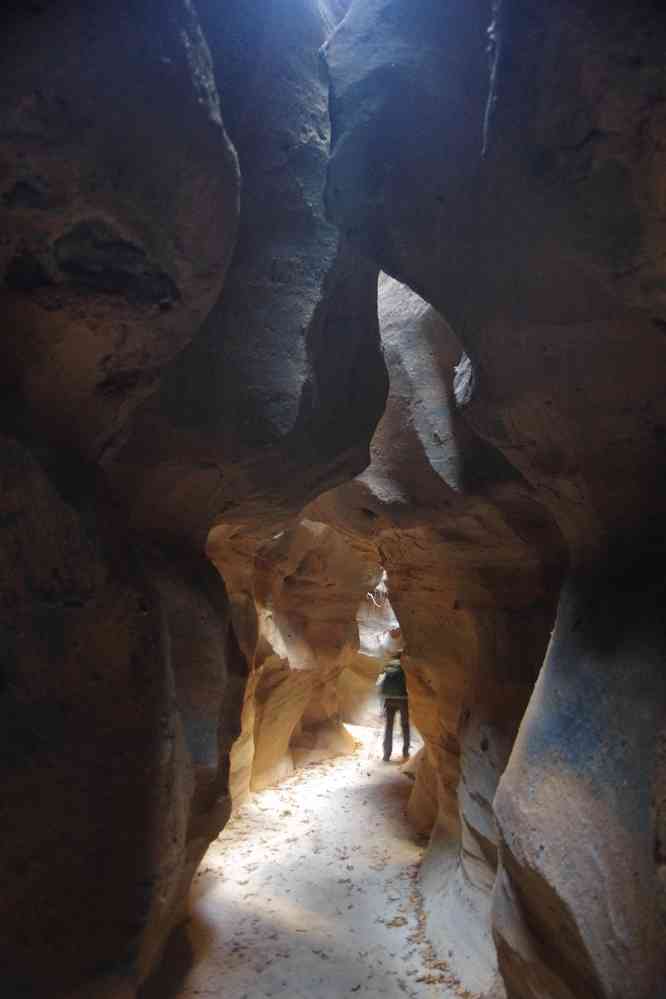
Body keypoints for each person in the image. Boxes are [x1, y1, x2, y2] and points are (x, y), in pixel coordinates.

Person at [376, 653, 410, 761]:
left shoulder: (388, 666)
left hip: (389, 700)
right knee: (404, 725)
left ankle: (386, 754)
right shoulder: (405, 666)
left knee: (389, 727)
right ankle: (405, 752)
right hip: (403, 700)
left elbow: (379, 683)